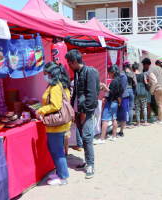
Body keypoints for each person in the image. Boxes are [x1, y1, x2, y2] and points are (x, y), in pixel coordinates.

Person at [36, 61, 71, 186]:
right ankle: (59, 172)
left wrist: (41, 110)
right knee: (54, 149)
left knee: (57, 150)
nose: (45, 76)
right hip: (59, 123)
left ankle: (63, 177)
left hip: (56, 124)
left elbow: (55, 106)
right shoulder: (60, 84)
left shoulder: (56, 87)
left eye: (46, 73)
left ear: (51, 73)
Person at [66, 49, 98, 179]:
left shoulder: (89, 71)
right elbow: (76, 93)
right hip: (78, 110)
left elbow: (91, 94)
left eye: (69, 62)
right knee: (83, 137)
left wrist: (83, 112)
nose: (68, 65)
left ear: (75, 61)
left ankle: (91, 164)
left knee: (86, 137)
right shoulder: (77, 72)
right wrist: (74, 110)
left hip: (86, 110)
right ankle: (86, 161)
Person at [95, 65, 124, 144]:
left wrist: (104, 85)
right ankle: (113, 136)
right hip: (115, 102)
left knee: (104, 120)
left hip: (111, 102)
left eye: (109, 73)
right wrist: (104, 89)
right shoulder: (119, 80)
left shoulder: (114, 81)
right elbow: (112, 92)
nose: (109, 75)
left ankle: (102, 138)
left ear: (113, 73)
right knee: (114, 118)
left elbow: (111, 92)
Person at [142, 58, 162, 124]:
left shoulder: (150, 70)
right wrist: (149, 85)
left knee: (160, 104)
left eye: (143, 65)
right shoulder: (158, 67)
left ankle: (160, 120)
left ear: (146, 65)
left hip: (158, 89)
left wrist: (151, 90)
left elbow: (154, 82)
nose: (143, 67)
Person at [133, 62, 150, 126]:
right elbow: (146, 82)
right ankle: (145, 122)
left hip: (136, 93)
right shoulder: (143, 74)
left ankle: (138, 122)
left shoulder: (133, 74)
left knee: (137, 107)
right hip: (143, 92)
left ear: (133, 68)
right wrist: (147, 89)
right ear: (138, 67)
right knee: (144, 107)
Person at [123, 61, 137, 129]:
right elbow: (135, 83)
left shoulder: (122, 73)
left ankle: (124, 124)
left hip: (125, 91)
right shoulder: (132, 73)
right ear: (129, 66)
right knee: (130, 108)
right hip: (131, 90)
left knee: (125, 108)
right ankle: (130, 124)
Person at [116, 67, 128, 137]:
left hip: (123, 97)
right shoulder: (119, 76)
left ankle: (121, 131)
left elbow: (123, 88)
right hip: (119, 97)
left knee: (123, 115)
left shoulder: (123, 76)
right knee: (117, 115)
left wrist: (120, 97)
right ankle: (116, 130)